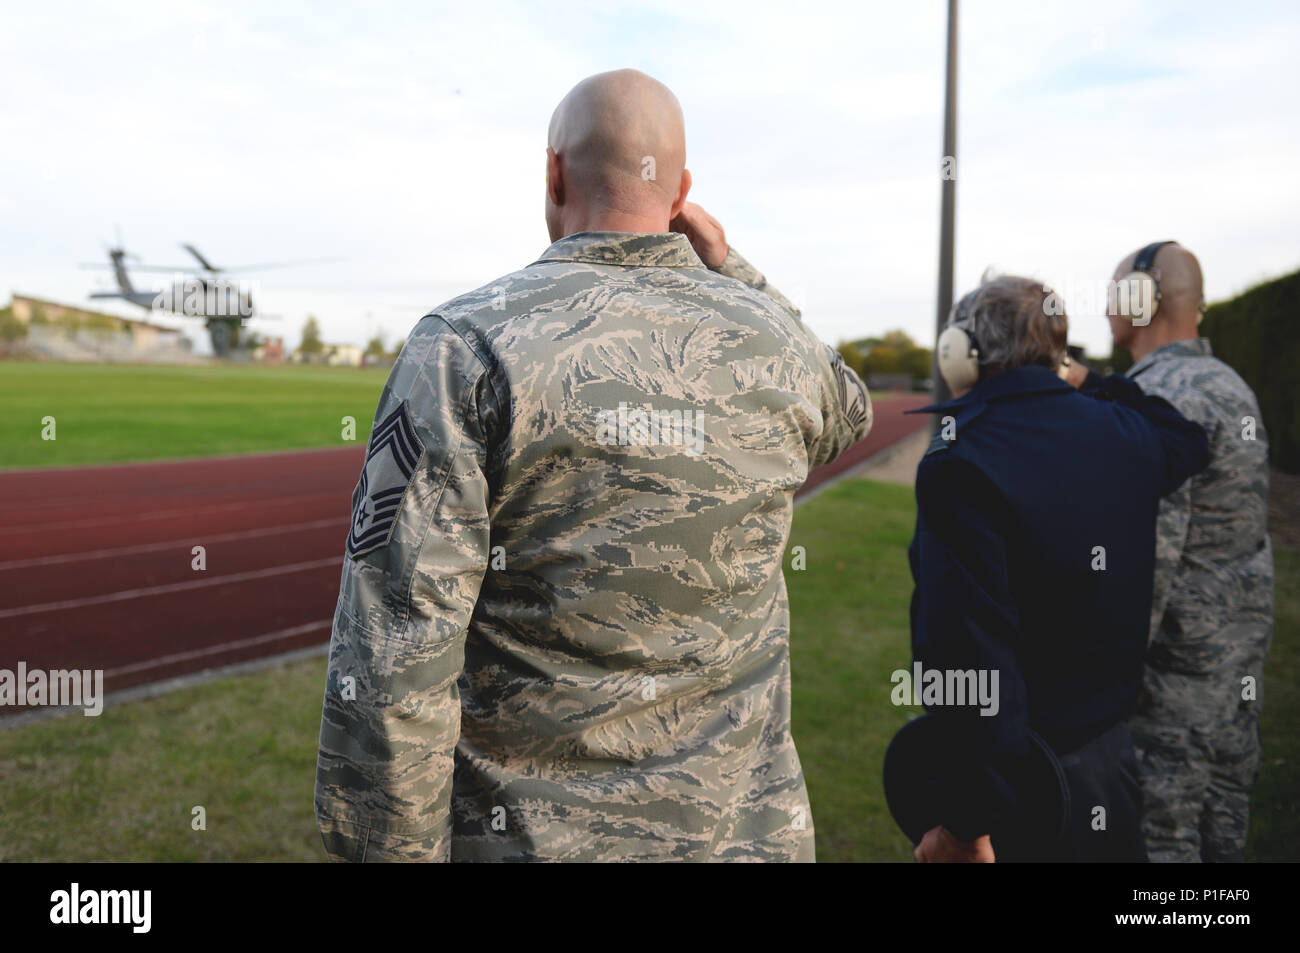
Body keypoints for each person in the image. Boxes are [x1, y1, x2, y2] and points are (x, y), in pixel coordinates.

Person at [313, 69, 872, 862]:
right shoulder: (775, 346)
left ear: (553, 172)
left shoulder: (466, 346)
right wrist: (733, 268)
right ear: (679, 194)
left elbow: (396, 647)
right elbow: (849, 405)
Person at [903, 274, 1209, 862]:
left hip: (1021, 784)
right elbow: (1188, 438)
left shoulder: (960, 457)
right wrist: (1087, 378)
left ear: (962, 352)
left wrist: (967, 825)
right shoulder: (1128, 433)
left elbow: (969, 653)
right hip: (1111, 764)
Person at [1107, 241, 1274, 862]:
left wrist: (1108, 675)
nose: (1105, 308)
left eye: (1113, 291)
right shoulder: (1232, 387)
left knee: (1162, 842)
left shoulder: (1161, 402)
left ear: (1140, 300)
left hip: (1173, 683)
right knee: (1223, 828)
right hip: (1236, 670)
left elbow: (1150, 561)